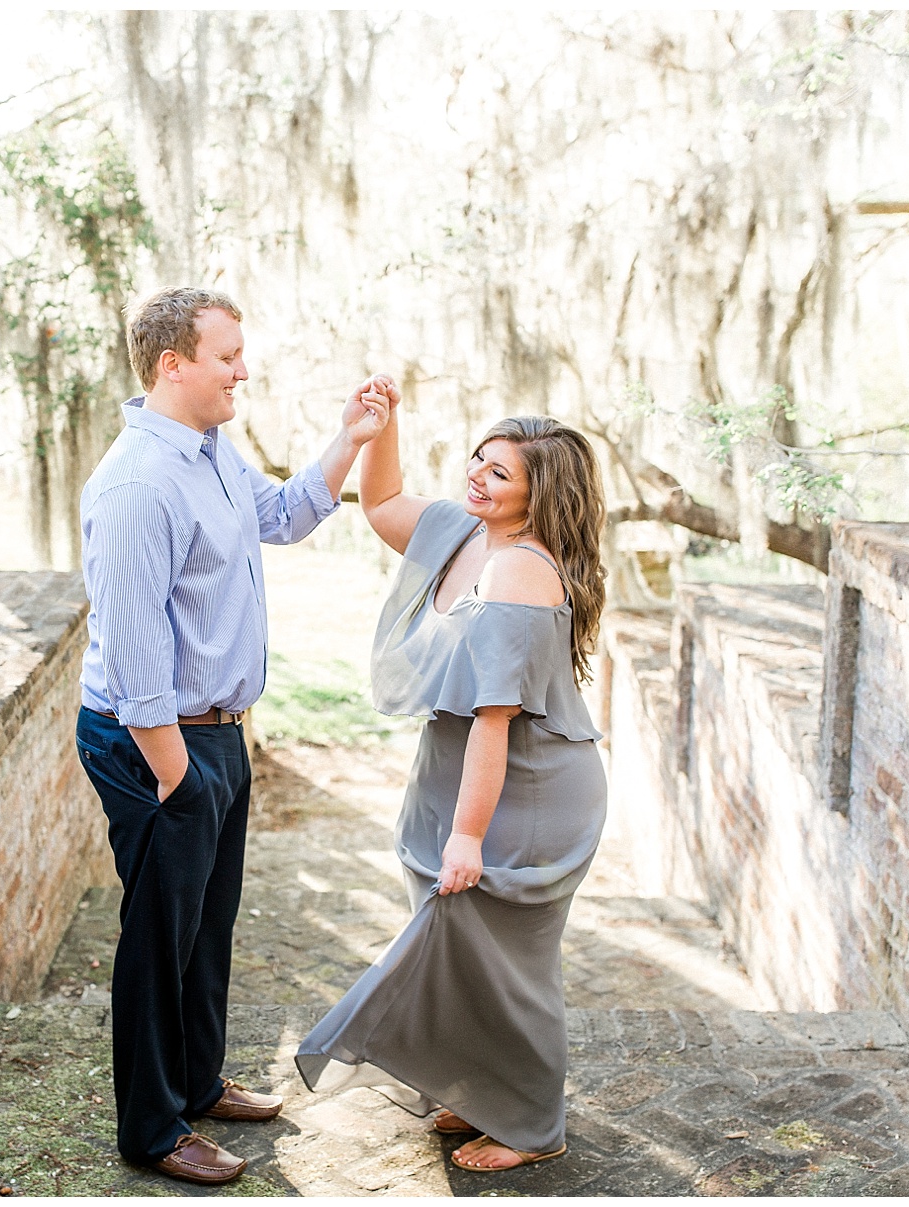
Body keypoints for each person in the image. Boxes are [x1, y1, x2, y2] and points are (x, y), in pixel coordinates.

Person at [75, 286, 393, 1186]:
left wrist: (351, 439)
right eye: (227, 357)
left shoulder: (211, 449)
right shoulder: (138, 484)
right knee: (157, 937)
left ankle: (198, 1080)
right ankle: (152, 1128)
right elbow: (138, 667)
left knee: (208, 924)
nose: (242, 371)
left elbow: (284, 515)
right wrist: (179, 781)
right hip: (155, 743)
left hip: (216, 733)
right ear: (172, 364)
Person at [295, 402, 610, 1172]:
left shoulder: (519, 570)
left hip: (523, 792)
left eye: (500, 472)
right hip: (458, 773)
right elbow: (378, 503)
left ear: (540, 496)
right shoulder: (466, 533)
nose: (477, 474)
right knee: (458, 949)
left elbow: (494, 721)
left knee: (508, 966)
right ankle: (479, 1090)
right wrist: (383, 424)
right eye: (478, 456)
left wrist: (467, 836)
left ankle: (535, 1125)